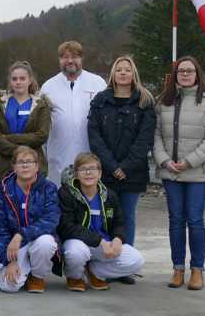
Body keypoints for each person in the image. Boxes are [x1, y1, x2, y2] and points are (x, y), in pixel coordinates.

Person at [153, 56, 205, 291]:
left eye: (189, 71)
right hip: (170, 172)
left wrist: (189, 162)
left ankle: (197, 269)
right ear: (175, 75)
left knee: (194, 220)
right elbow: (156, 136)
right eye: (180, 71)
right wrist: (164, 161)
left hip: (198, 173)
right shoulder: (163, 101)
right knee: (175, 221)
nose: (184, 74)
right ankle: (177, 269)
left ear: (197, 73)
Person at [87, 56, 156, 275]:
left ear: (133, 73)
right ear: (113, 74)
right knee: (104, 217)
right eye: (119, 70)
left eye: (127, 70)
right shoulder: (100, 100)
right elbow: (94, 135)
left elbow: (145, 139)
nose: (123, 73)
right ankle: (105, 262)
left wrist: (124, 167)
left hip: (132, 173)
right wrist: (111, 165)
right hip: (105, 171)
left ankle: (126, 266)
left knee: (126, 217)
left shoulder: (144, 101)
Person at [58, 153, 145, 292]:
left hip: (103, 245)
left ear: (100, 173)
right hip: (78, 242)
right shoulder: (66, 194)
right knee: (76, 253)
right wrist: (99, 241)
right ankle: (74, 277)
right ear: (76, 174)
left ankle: (95, 272)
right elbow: (66, 227)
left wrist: (117, 239)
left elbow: (119, 222)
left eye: (93, 169)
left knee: (136, 259)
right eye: (83, 169)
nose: (88, 173)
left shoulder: (109, 195)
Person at [0, 146, 60, 293]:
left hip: (35, 239)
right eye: (20, 162)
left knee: (46, 243)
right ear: (14, 167)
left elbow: (50, 220)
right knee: (9, 286)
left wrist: (21, 234)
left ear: (37, 166)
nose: (25, 165)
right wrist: (9, 261)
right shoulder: (4, 189)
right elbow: (0, 227)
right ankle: (5, 269)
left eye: (29, 161)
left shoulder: (48, 187)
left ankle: (36, 276)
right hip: (13, 245)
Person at [40, 41, 107, 186]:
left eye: (74, 56)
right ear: (59, 60)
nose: (70, 61)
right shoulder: (48, 87)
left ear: (81, 58)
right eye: (64, 57)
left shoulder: (98, 83)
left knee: (88, 198)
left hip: (90, 155)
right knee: (60, 200)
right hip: (58, 157)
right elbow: (42, 125)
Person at [0, 61, 51, 181]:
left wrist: (10, 138)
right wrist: (17, 151)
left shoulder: (41, 105)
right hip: (5, 165)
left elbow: (41, 135)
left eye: (22, 78)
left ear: (30, 80)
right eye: (14, 79)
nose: (18, 82)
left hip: (33, 163)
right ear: (10, 81)